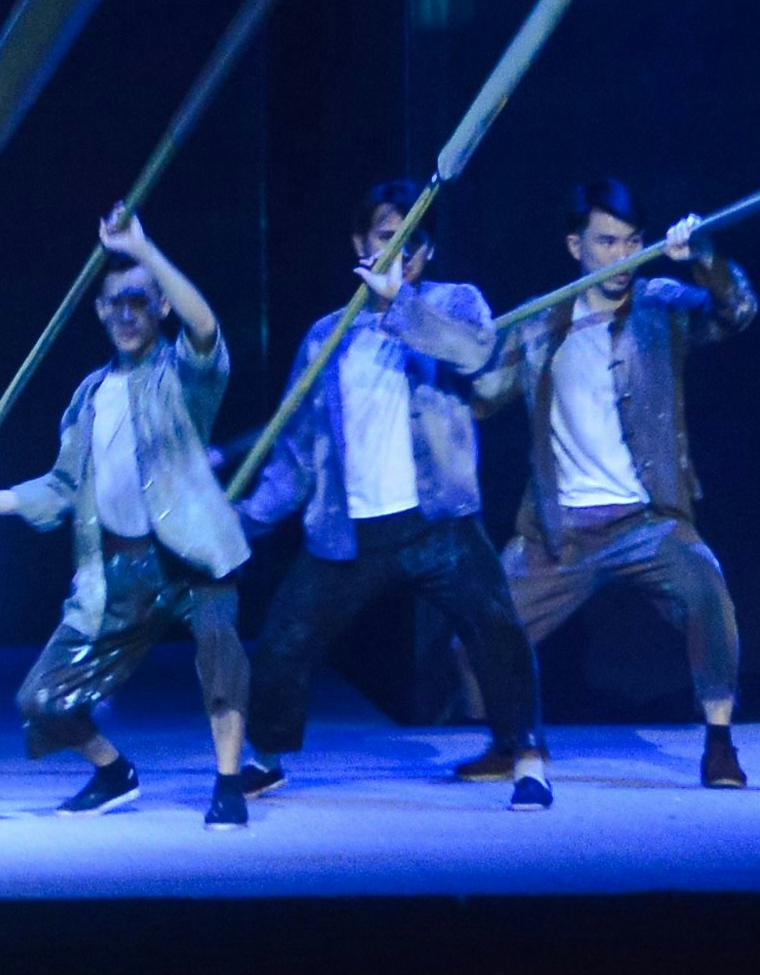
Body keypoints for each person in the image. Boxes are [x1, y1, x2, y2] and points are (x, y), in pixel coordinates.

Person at [233, 183, 554, 808]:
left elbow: (476, 353)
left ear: (425, 254)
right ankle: (266, 758)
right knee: (284, 638)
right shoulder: (327, 336)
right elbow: (297, 452)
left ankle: (528, 759)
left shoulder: (451, 305)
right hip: (349, 531)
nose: (401, 252)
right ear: (360, 243)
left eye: (413, 242)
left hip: (439, 522)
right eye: (387, 238)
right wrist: (242, 523)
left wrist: (401, 306)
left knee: (496, 630)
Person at [0, 209, 267, 822]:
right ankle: (113, 771)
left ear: (159, 309)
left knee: (218, 647)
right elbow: (62, 486)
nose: (126, 314)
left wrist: (144, 250)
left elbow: (205, 327)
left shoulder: (181, 377)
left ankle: (230, 783)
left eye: (139, 301)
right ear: (99, 312)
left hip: (193, 556)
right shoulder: (88, 395)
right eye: (114, 304)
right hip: (121, 571)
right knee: (41, 697)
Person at [479, 179, 759, 787]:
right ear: (575, 245)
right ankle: (515, 742)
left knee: (708, 592)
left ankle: (719, 743)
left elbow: (737, 312)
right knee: (483, 630)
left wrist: (704, 256)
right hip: (561, 531)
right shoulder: (537, 323)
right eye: (605, 242)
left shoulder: (660, 306)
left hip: (646, 520)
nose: (619, 257)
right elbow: (481, 397)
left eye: (631, 242)